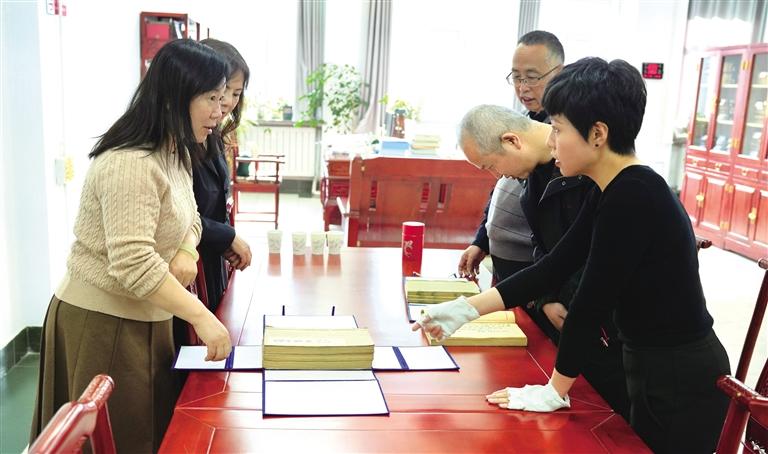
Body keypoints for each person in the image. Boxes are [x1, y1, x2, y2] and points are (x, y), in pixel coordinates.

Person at [415, 58, 730, 454]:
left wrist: (554, 390)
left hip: (678, 376)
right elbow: (552, 268)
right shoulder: (609, 189)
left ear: (597, 134)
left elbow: (589, 304)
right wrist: (464, 309)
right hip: (649, 361)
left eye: (558, 129)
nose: (550, 142)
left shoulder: (634, 196)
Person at [30, 39, 233, 453]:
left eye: (223, 97)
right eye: (211, 98)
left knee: (151, 432)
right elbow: (133, 262)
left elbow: (192, 217)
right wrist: (201, 316)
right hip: (104, 321)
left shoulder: (174, 152)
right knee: (122, 436)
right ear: (176, 97)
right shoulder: (130, 162)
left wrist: (186, 250)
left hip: (149, 312)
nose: (220, 111)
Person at [193, 38, 253, 312]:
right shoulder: (180, 141)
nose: (227, 101)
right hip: (187, 267)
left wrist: (226, 239)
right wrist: (226, 236)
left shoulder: (212, 133)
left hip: (210, 259)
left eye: (236, 93)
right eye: (221, 91)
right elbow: (177, 215)